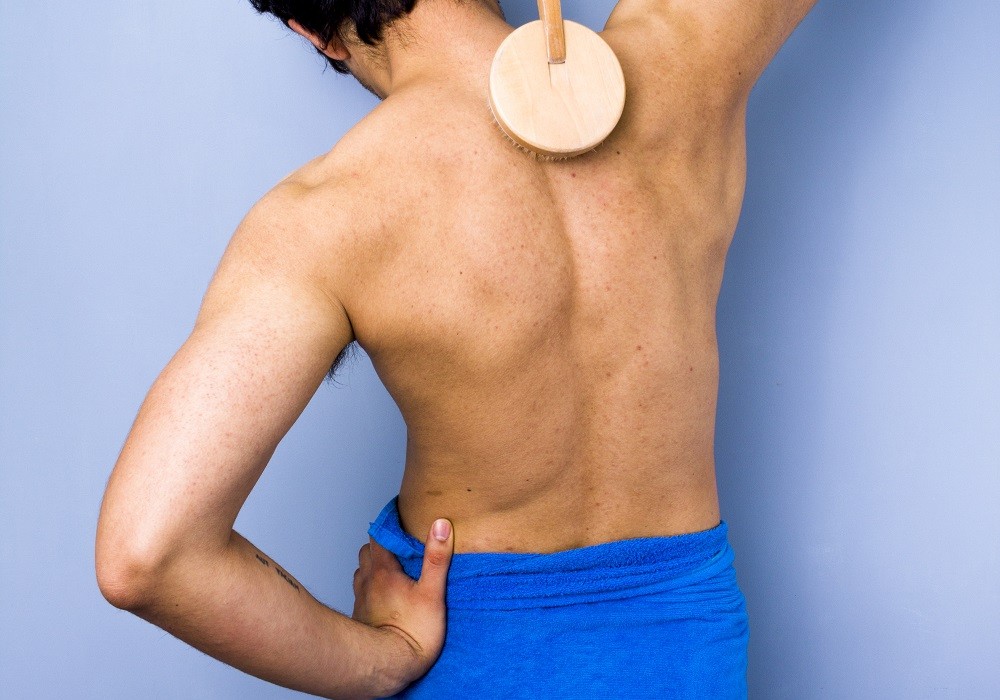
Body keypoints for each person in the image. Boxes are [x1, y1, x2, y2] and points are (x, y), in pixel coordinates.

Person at [95, 0, 817, 697]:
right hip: (684, 658)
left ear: (316, 34)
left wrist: (380, 661)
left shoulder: (324, 217)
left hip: (468, 658)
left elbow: (148, 555)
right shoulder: (682, 62)